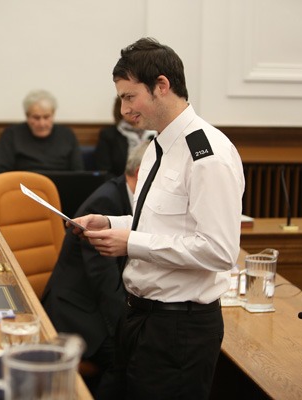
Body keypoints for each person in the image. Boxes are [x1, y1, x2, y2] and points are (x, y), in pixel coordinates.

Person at [72, 37, 245, 399]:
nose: (124, 110)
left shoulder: (207, 154)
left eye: (129, 96)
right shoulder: (156, 145)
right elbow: (159, 225)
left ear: (161, 86)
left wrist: (130, 242)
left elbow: (219, 251)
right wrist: (111, 223)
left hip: (179, 329)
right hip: (140, 317)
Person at [41, 142, 147, 398]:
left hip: (96, 302)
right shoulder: (106, 200)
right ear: (143, 171)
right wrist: (127, 331)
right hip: (76, 311)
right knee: (131, 358)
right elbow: (103, 279)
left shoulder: (130, 196)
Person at [0, 89, 84, 173]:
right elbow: (2, 172)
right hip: (24, 186)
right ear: (27, 116)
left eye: (46, 117)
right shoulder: (11, 134)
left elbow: (78, 171)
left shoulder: (67, 135)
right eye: (36, 118)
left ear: (53, 114)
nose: (42, 123)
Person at [93, 96, 156, 178]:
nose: (133, 111)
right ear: (120, 110)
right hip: (121, 186)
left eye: (137, 106)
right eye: (129, 106)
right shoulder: (108, 135)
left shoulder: (156, 133)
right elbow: (104, 172)